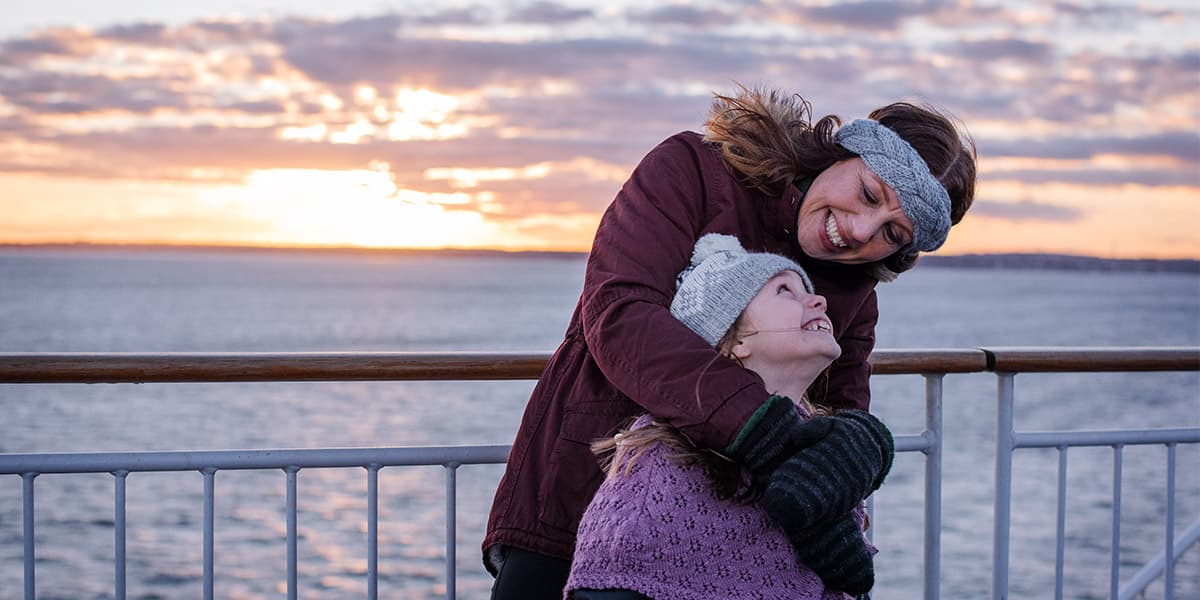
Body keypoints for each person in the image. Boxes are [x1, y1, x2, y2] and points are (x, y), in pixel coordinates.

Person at [484, 85, 976, 598]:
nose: (859, 231)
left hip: (737, 551)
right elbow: (620, 316)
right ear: (844, 151)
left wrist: (856, 461)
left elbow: (839, 407)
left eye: (893, 234)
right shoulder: (694, 170)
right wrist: (768, 431)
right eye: (870, 195)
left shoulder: (854, 288)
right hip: (584, 491)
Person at [565, 234, 893, 599]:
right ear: (734, 339)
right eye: (786, 291)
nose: (818, 300)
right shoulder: (658, 477)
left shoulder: (827, 451)